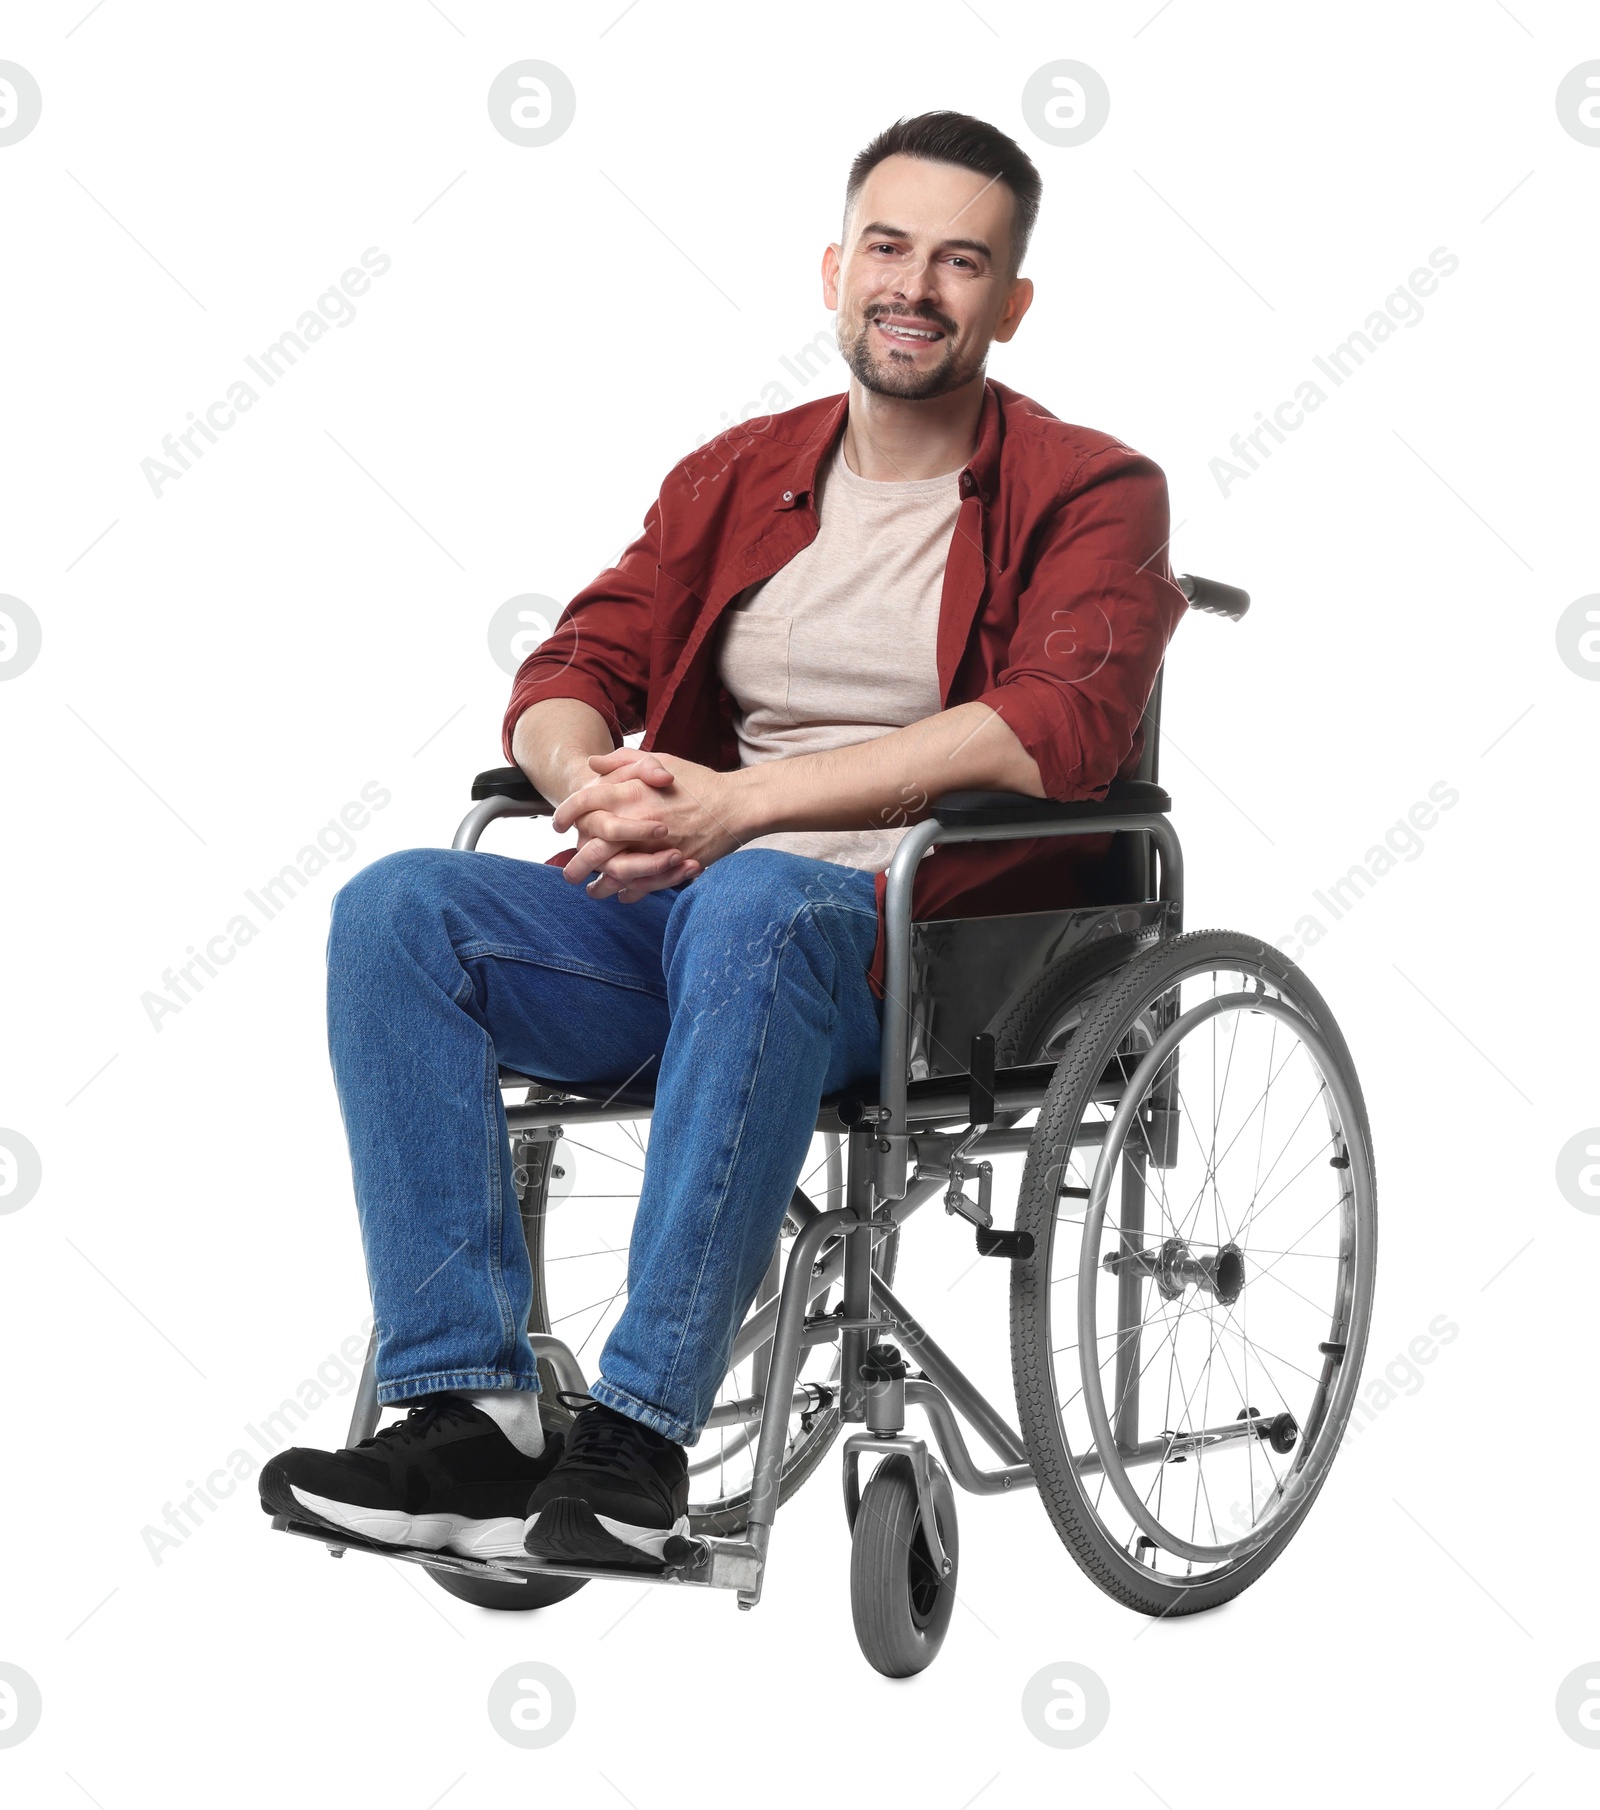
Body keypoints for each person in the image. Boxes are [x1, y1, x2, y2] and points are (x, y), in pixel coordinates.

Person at [259, 109, 1188, 1572]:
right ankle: (468, 1406)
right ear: (834, 269)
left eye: (961, 262)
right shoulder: (741, 473)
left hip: (928, 958)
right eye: (888, 247)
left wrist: (738, 807)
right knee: (399, 911)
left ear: (1010, 304)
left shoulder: (1093, 489)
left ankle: (635, 1434)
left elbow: (1053, 724)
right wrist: (597, 788)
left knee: (756, 895)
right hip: (696, 927)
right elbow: (574, 668)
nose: (914, 285)